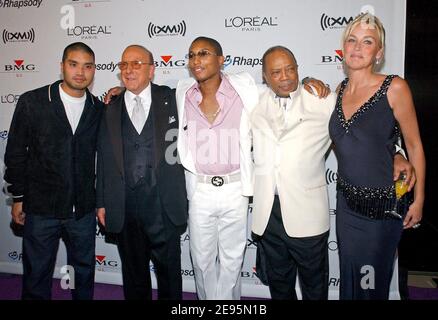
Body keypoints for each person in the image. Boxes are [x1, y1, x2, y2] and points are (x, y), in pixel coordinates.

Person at [250, 45, 416, 300]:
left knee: (314, 286)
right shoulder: (254, 103)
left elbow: (363, 131)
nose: (285, 77)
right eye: (276, 72)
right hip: (267, 213)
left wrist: (396, 152)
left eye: (290, 69)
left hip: (307, 213)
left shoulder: (323, 100)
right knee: (279, 285)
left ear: (298, 69)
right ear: (265, 76)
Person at [174, 37, 331, 300]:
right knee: (201, 262)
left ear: (221, 59)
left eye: (204, 53)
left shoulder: (245, 87)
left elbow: (285, 86)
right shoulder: (183, 90)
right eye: (191, 55)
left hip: (237, 188)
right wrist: (121, 92)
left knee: (233, 261)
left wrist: (309, 81)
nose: (196, 60)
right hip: (200, 189)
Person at [329, 13, 426, 300]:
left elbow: (415, 146)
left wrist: (419, 199)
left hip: (381, 209)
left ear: (379, 52)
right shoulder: (339, 91)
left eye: (367, 42)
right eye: (352, 40)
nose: (357, 48)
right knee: (350, 277)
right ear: (343, 47)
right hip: (346, 206)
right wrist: (395, 153)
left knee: (369, 284)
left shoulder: (395, 88)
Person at [3, 42, 103, 300]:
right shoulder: (33, 101)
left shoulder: (98, 109)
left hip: (82, 210)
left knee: (84, 275)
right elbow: (15, 153)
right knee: (36, 275)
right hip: (40, 208)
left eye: (87, 66)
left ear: (94, 70)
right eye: (73, 64)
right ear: (62, 67)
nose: (80, 72)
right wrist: (18, 197)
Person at [96, 45, 187, 300]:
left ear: (152, 69)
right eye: (124, 65)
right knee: (134, 276)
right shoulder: (110, 107)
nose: (129, 69)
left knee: (170, 275)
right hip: (124, 206)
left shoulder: (174, 98)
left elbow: (210, 82)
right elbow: (104, 158)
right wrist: (102, 202)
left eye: (136, 63)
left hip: (164, 204)